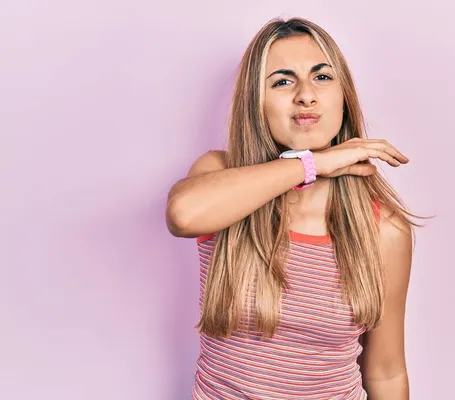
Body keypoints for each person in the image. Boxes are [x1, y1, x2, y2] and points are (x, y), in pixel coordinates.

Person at [166, 16, 420, 400]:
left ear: (343, 96)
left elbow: (385, 372)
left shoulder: (384, 228)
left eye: (322, 77)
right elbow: (183, 216)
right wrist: (311, 165)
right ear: (257, 102)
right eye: (283, 81)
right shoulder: (220, 174)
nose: (306, 95)